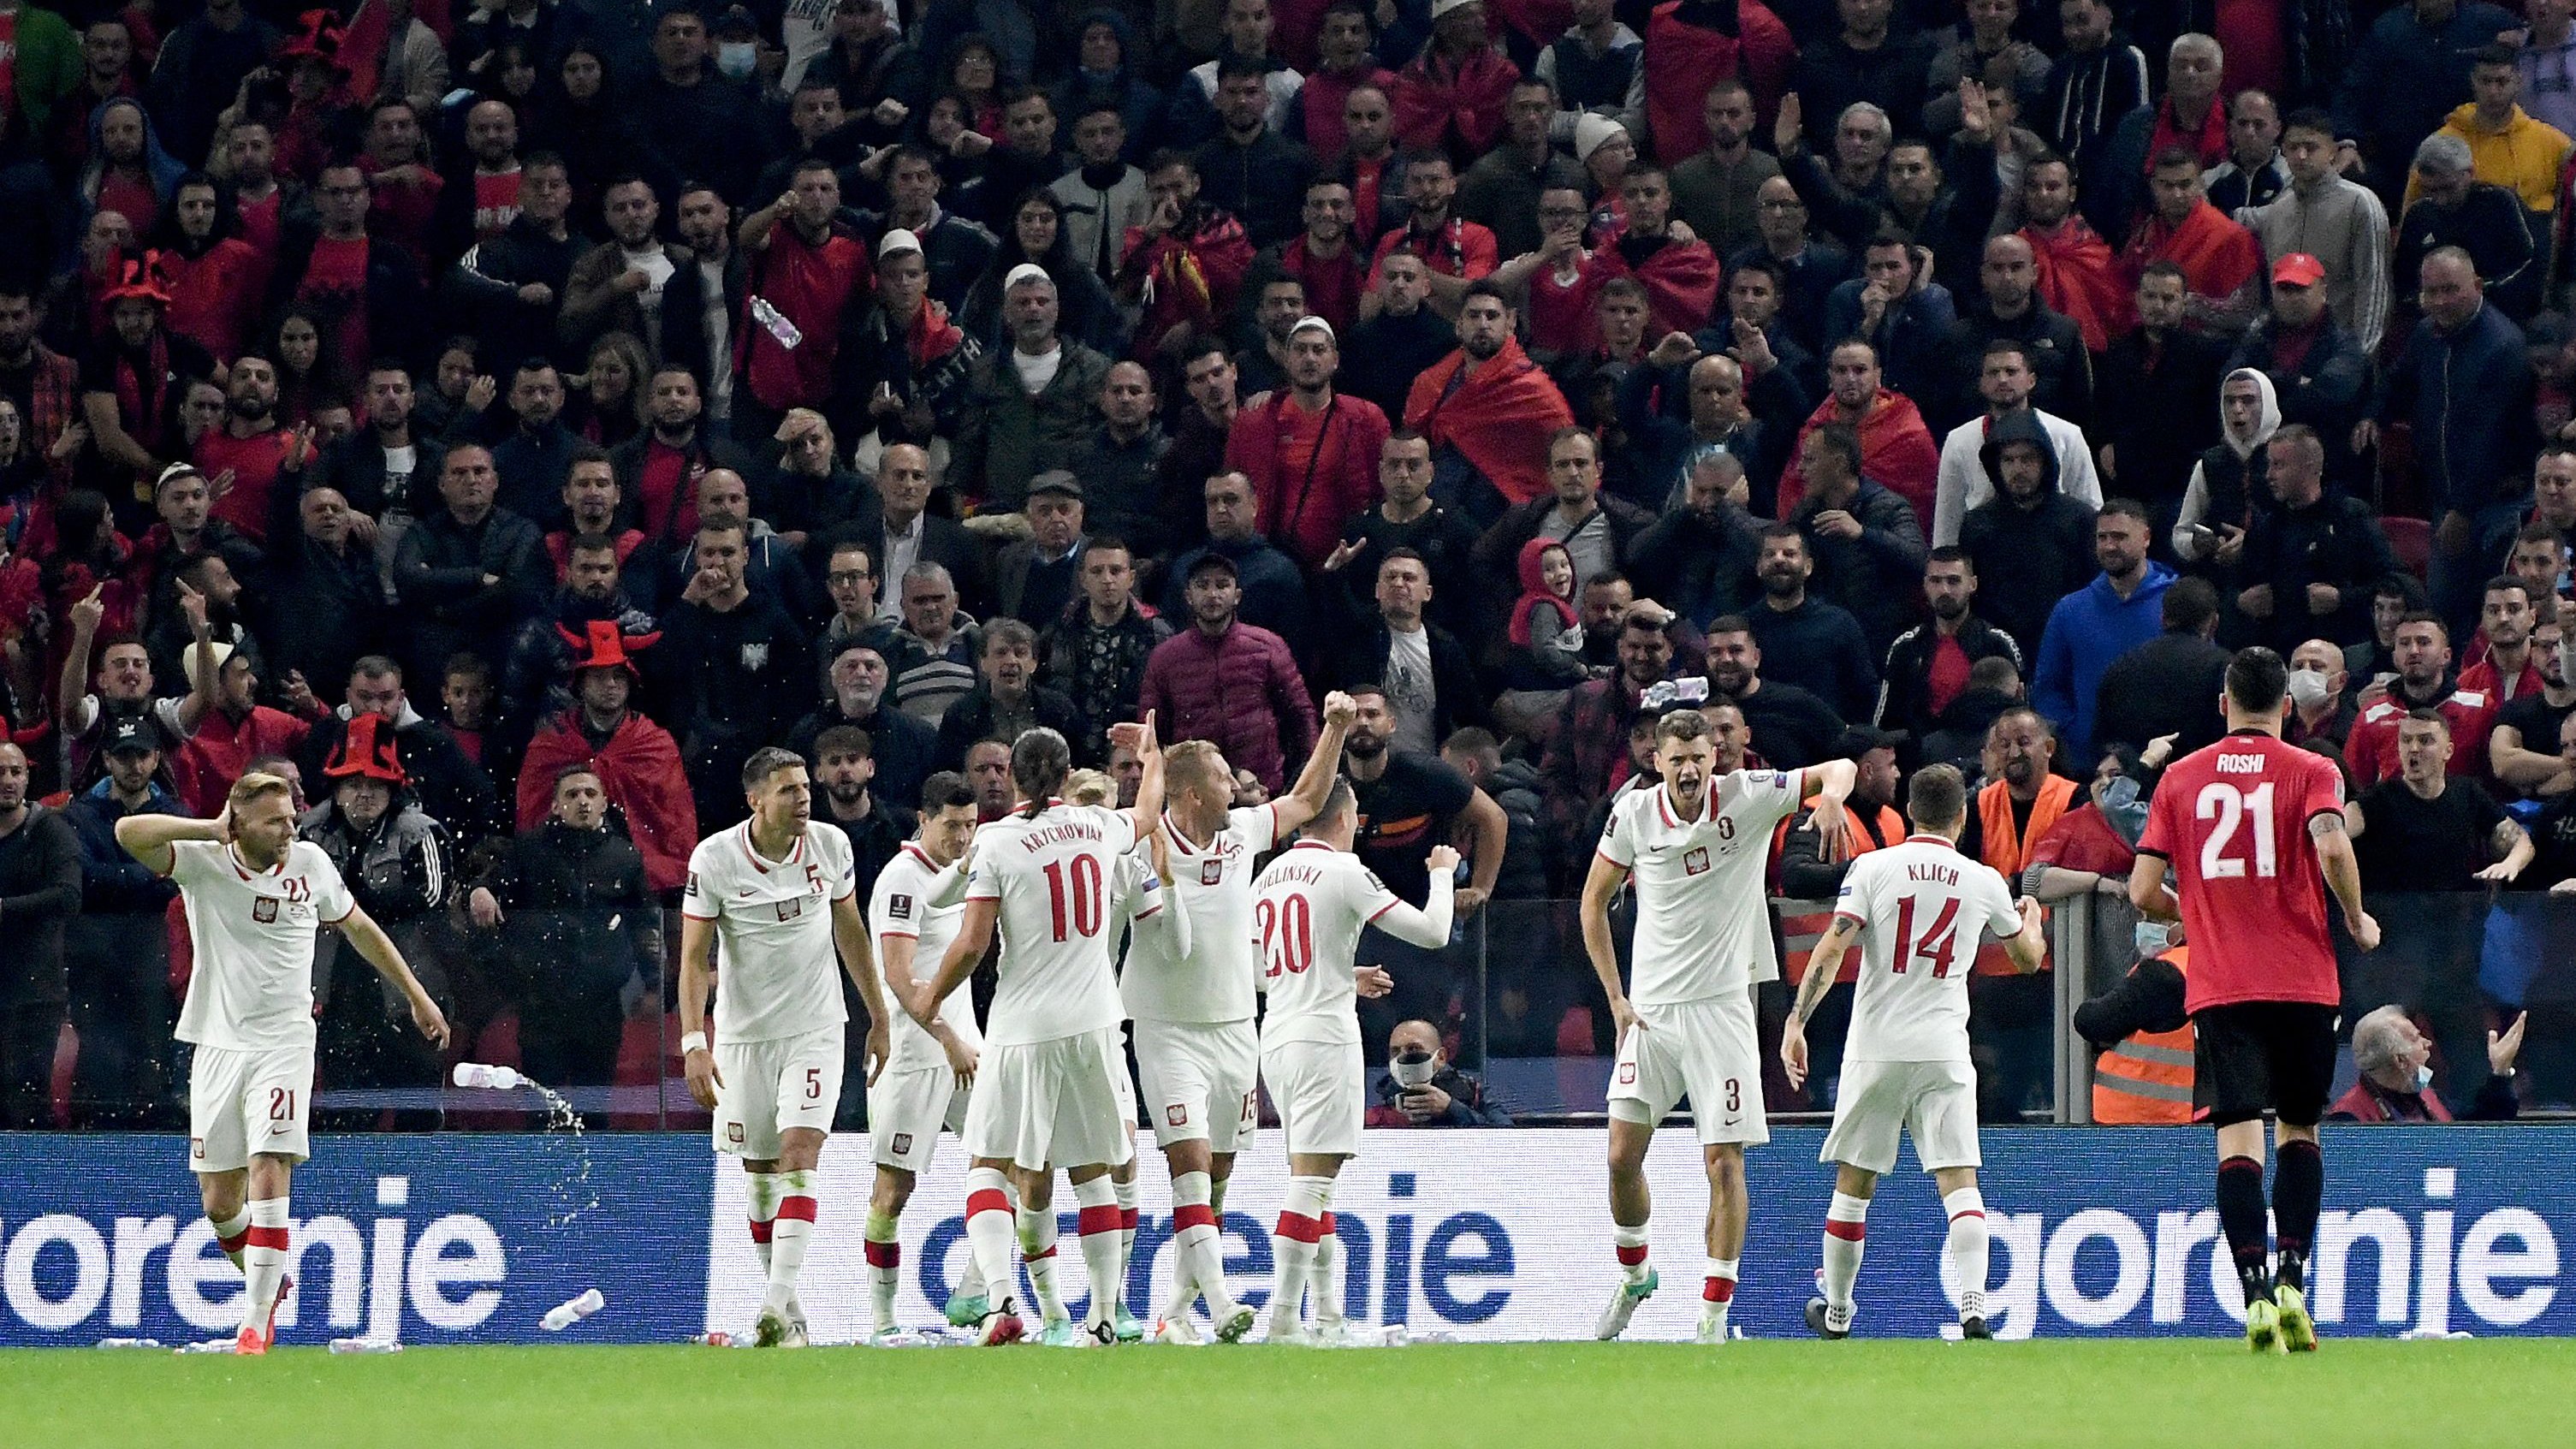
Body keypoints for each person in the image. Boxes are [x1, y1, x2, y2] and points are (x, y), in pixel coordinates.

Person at [117, 770, 448, 1354]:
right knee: (220, 1205)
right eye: (276, 821)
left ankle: (254, 1323)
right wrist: (208, 828)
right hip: (217, 1042)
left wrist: (418, 995)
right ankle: (267, 1283)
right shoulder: (204, 860)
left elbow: (360, 928)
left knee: (270, 1158)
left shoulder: (312, 864)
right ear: (240, 822)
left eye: (293, 818)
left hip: (287, 1038)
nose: (290, 830)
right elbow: (128, 832)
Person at [898, 721, 1190, 1348]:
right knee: (1091, 1172)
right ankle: (1105, 1315)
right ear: (1063, 777)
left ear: (1013, 779)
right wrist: (1152, 753)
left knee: (988, 1162)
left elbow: (973, 941)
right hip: (1092, 1021)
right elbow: (1147, 808)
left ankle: (1003, 1299)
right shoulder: (1098, 826)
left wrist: (928, 996)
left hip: (1022, 1027)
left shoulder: (998, 842)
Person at [2131, 647, 2381, 1354]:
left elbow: (2141, 891)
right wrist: (2357, 919)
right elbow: (2332, 848)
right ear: (2290, 708)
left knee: (2235, 1138)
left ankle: (2253, 1292)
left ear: (2223, 705)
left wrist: (2193, 910)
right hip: (2304, 980)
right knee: (2299, 1130)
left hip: (2223, 985)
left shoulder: (2180, 777)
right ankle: (2297, 1277)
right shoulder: (2312, 770)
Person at [1583, 706, 1857, 1345]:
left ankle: (1711, 1317)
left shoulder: (1748, 796)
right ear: (1657, 760)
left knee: (1723, 1164)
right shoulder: (1633, 815)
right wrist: (1617, 1000)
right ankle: (1636, 1274)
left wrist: (1835, 799)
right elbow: (1592, 902)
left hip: (1723, 1011)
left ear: (1715, 759)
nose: (1688, 769)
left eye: (1698, 758)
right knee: (1621, 1155)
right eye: (1675, 758)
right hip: (1652, 1013)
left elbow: (1839, 767)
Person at [1782, 762, 2046, 1340]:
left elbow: (1832, 946)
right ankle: (1974, 1305)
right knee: (1960, 1181)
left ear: (1907, 814)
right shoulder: (1982, 879)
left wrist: (1797, 1019)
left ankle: (1839, 1312)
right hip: (1944, 1047)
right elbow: (2026, 959)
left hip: (1876, 1045)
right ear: (1961, 816)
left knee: (1854, 1187)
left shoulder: (1872, 867)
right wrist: (2034, 923)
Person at [1130, 703, 1352, 1338]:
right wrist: (1149, 766)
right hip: (1167, 1027)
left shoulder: (1239, 835)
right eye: (1226, 776)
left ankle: (1172, 1313)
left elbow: (1308, 798)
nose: (1240, 785)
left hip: (1235, 1027)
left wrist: (1333, 727)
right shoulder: (1145, 849)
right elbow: (1167, 939)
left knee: (1218, 1173)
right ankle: (1223, 1305)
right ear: (1194, 792)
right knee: (1191, 1161)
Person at [679, 747, 887, 1350]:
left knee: (801, 1152)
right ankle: (788, 1310)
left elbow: (850, 930)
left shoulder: (830, 847)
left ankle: (771, 1300)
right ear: (755, 800)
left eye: (805, 787)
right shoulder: (715, 859)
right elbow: (694, 959)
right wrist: (695, 1040)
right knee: (761, 1173)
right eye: (789, 790)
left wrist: (878, 1014)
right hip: (744, 1037)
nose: (803, 799)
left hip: (816, 1028)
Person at [1251, 779, 1453, 1344]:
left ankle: (1329, 1318)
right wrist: (1440, 872)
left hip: (1279, 1038)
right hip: (1322, 1039)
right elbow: (1434, 932)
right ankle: (1285, 1319)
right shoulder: (1344, 871)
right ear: (1344, 819)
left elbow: (1255, 973)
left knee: (1317, 1182)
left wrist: (1342, 974)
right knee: (1312, 1182)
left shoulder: (1267, 878)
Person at [862, 771, 993, 1341]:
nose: (962, 837)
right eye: (951, 826)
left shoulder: (974, 864)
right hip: (917, 1051)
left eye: (970, 825)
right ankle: (883, 1321)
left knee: (1008, 1153)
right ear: (924, 818)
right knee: (894, 1191)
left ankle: (972, 1291)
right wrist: (945, 1036)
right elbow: (897, 974)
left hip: (966, 1043)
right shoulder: (902, 877)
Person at [468, 763, 658, 1100]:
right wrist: (481, 889)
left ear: (604, 803)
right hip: (542, 1003)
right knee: (541, 1108)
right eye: (572, 794)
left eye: (590, 793)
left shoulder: (625, 858)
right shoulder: (529, 850)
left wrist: (656, 985)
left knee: (595, 1110)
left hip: (602, 1005)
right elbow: (493, 891)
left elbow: (644, 925)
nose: (582, 801)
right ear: (555, 806)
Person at [1139, 550, 1317, 793]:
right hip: (1196, 793)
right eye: (1203, 586)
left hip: (1261, 788)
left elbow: (1300, 714)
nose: (1213, 594)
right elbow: (1152, 730)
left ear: (1237, 596)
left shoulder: (1267, 646)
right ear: (1188, 596)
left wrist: (1307, 775)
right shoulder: (1165, 657)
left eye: (1222, 585)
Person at [1876, 549, 2024, 747]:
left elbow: (2023, 714)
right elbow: (1886, 721)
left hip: (1983, 756)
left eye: (1953, 581)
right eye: (1935, 581)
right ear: (1925, 584)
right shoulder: (1906, 647)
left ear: (1973, 584)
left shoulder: (1997, 644)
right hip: (1919, 760)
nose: (1944, 590)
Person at [2329, 1004, 2526, 1122]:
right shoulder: (2347, 1119)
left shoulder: (2426, 1095)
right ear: (2400, 1060)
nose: (2428, 1043)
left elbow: (2475, 1132)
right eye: (2416, 1038)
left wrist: (2501, 1071)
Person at [1370, 1016, 1512, 1125]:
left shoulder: (1474, 1094)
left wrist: (1451, 1109)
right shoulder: (1378, 1114)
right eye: (1395, 1052)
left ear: (1441, 1057)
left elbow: (1510, 1141)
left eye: (1413, 1049)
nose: (1402, 1058)